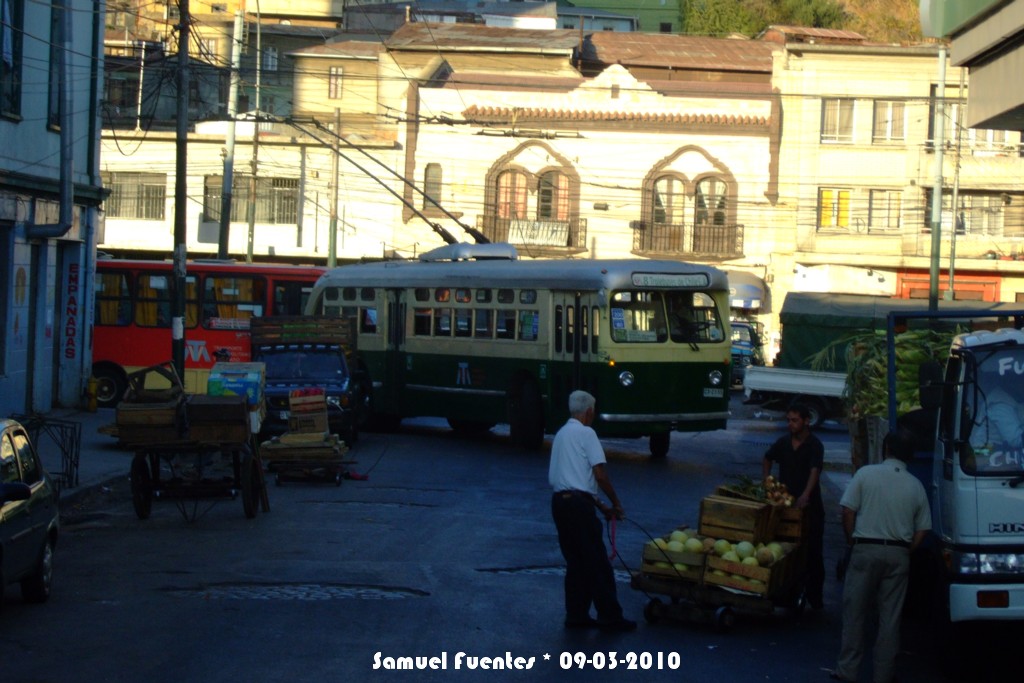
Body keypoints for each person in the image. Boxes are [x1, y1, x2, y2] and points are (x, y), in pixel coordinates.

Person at [830, 428, 931, 683]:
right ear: (910, 455)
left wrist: (852, 539)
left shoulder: (866, 474)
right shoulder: (915, 485)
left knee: (855, 612)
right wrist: (906, 550)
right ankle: (883, 674)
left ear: (885, 449)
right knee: (890, 617)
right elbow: (923, 529)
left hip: (865, 548)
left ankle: (848, 670)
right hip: (898, 553)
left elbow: (847, 511)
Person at [549, 390, 636, 632]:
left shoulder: (562, 434)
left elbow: (572, 480)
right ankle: (610, 615)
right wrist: (616, 503)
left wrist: (601, 507)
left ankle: (576, 614)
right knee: (597, 562)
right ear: (589, 411)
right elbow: (599, 475)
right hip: (578, 507)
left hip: (560, 504)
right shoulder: (587, 434)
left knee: (576, 562)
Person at [762, 402, 825, 610]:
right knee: (786, 550)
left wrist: (806, 495)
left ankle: (816, 600)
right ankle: (784, 594)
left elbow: (815, 471)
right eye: (788, 420)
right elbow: (767, 458)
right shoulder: (783, 443)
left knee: (812, 553)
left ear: (806, 421)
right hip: (786, 507)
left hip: (810, 509)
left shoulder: (815, 445)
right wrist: (768, 482)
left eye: (795, 420)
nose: (791, 424)